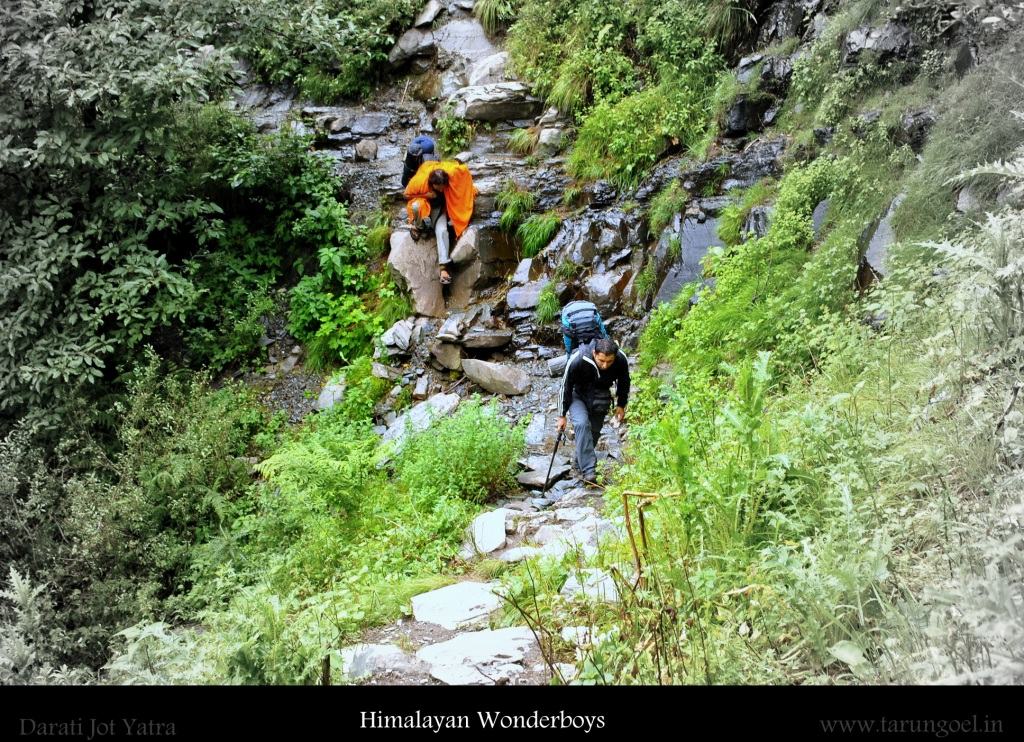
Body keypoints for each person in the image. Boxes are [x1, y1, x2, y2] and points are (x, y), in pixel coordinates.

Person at [556, 337, 630, 483]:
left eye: (609, 361)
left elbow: (624, 382)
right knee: (582, 424)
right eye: (601, 360)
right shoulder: (578, 359)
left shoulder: (621, 359)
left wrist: (621, 404)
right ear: (595, 353)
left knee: (593, 432)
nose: (605, 365)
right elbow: (565, 386)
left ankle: (578, 463)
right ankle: (589, 471)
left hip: (601, 397)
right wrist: (561, 415)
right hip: (578, 396)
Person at [404, 159, 476, 285]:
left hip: (440, 212)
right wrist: (426, 196)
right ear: (433, 184)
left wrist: (471, 189)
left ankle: (443, 269)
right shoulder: (420, 181)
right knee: (416, 206)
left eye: (444, 186)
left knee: (442, 231)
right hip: (424, 207)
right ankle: (417, 226)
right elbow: (406, 195)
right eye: (440, 187)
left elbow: (462, 171)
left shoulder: (448, 176)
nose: (443, 189)